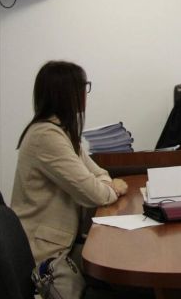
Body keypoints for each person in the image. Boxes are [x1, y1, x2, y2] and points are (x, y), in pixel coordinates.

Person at [11, 61, 128, 264]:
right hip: (45, 253)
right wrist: (113, 188)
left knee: (117, 254)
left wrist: (105, 184)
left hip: (64, 241)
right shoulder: (46, 136)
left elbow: (99, 173)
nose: (85, 93)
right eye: (84, 86)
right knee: (118, 261)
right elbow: (95, 194)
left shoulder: (61, 131)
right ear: (67, 93)